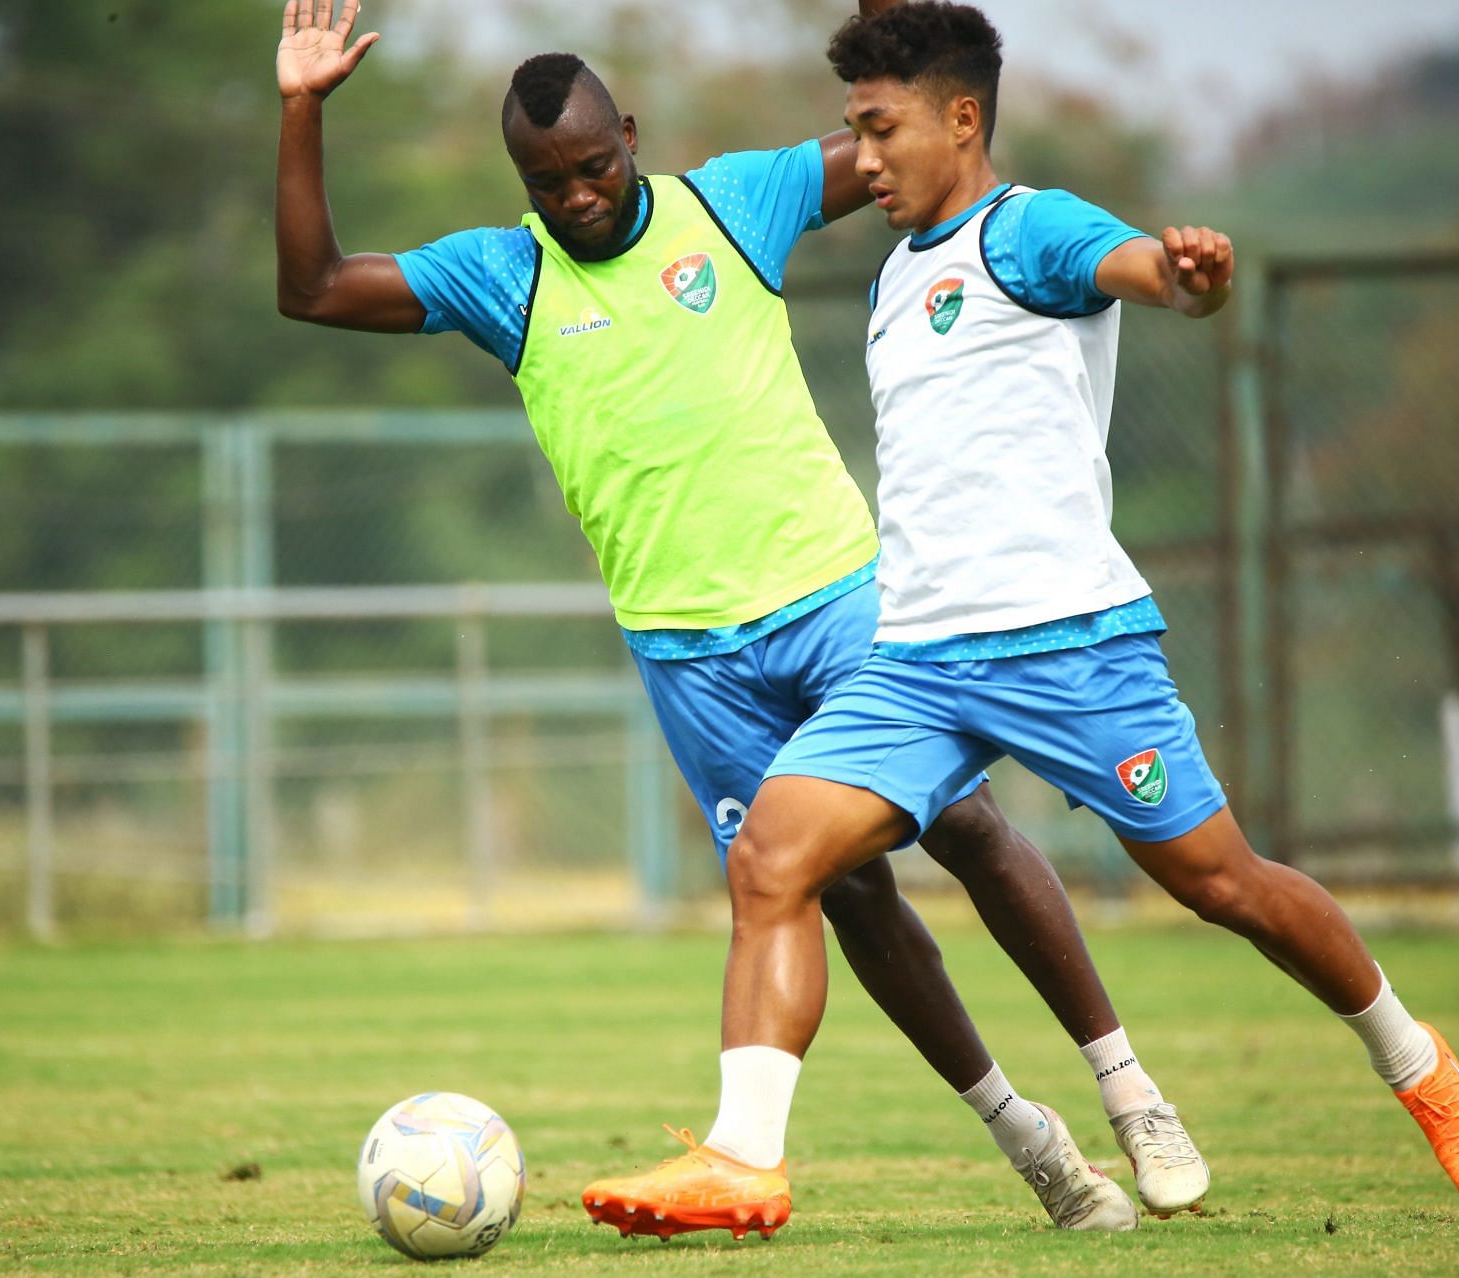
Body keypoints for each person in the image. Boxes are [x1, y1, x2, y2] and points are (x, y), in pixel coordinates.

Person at [273, 0, 1206, 1235]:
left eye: (598, 167)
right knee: (845, 896)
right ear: (522, 184)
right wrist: (300, 112)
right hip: (690, 661)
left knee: (967, 828)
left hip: (840, 599)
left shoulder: (736, 203)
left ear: (634, 139)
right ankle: (1026, 1137)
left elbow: (897, 130)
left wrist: (890, 27)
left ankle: (1127, 1087)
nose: (581, 196)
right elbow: (315, 288)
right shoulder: (504, 278)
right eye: (551, 183)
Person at [584, 1, 1459, 1236]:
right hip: (914, 661)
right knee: (773, 859)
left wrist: (1187, 278)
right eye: (855, 130)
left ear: (962, 120)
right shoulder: (893, 274)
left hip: (1067, 647)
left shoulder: (1030, 230)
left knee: (1222, 882)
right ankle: (743, 1159)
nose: (860, 158)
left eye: (880, 128)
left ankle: (1413, 1058)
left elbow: (1142, 270)